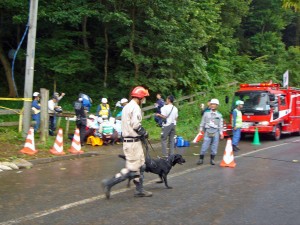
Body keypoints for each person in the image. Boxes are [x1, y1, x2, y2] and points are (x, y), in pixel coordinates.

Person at [102, 86, 152, 199]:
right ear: (140, 97)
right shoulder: (135, 107)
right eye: (143, 97)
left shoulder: (126, 107)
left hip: (130, 141)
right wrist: (144, 132)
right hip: (133, 143)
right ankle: (109, 183)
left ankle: (139, 190)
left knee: (141, 165)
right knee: (132, 169)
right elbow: (136, 125)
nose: (144, 100)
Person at [197, 98, 224, 165]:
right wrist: (200, 130)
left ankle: (212, 159)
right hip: (208, 131)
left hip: (216, 132)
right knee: (204, 145)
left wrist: (221, 133)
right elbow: (202, 122)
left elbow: (220, 124)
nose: (213, 105)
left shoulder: (219, 115)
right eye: (212, 104)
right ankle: (201, 159)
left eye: (214, 104)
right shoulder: (206, 113)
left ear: (217, 105)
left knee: (214, 146)